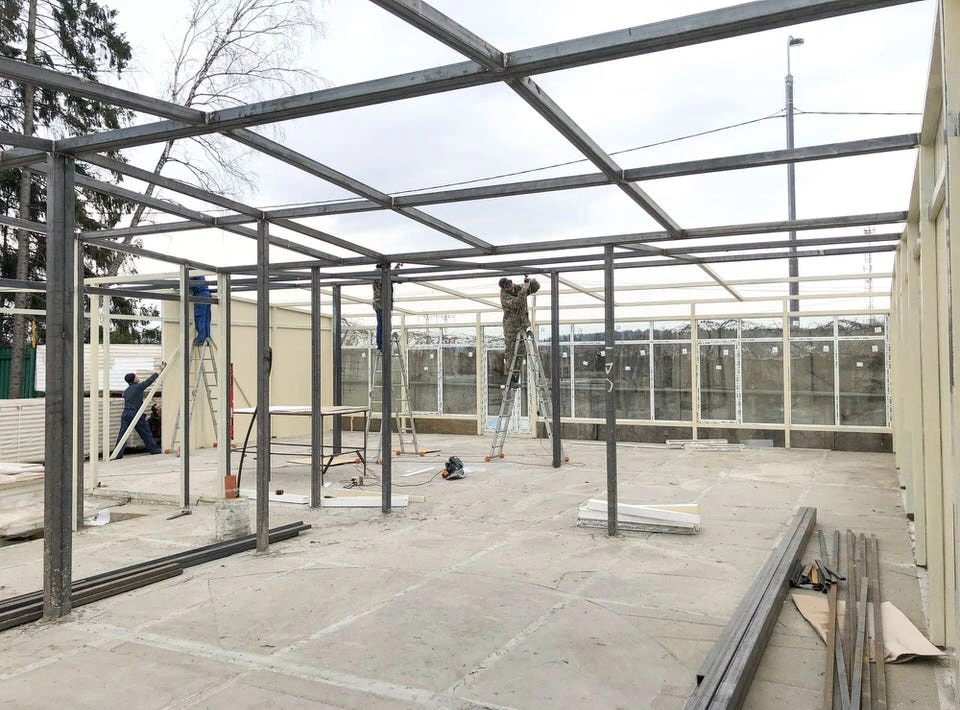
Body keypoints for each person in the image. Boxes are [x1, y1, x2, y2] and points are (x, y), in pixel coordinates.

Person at [115, 371, 163, 458]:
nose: (138, 377)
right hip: (136, 414)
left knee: (122, 434)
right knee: (145, 433)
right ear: (134, 379)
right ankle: (155, 450)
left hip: (126, 414)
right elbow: (149, 381)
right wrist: (157, 373)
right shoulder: (138, 387)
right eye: (136, 376)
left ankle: (117, 454)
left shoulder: (126, 391)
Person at [499, 275, 540, 378]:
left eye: (510, 283)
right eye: (507, 286)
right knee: (511, 350)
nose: (510, 286)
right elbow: (517, 303)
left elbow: (535, 288)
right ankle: (509, 374)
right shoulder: (504, 296)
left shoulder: (518, 288)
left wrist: (529, 281)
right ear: (504, 288)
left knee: (521, 350)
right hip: (511, 327)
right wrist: (524, 290)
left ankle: (516, 373)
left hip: (522, 324)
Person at [372, 262, 399, 352]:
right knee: (386, 325)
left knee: (380, 325)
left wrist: (397, 267)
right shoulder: (382, 274)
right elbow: (391, 278)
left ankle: (380, 344)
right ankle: (383, 344)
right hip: (383, 304)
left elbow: (391, 277)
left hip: (377, 304)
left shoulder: (375, 274)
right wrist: (397, 268)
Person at [189, 272, 212, 345]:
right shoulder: (198, 271)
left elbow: (187, 283)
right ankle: (207, 338)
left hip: (201, 295)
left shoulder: (190, 271)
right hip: (207, 295)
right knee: (206, 318)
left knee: (199, 316)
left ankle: (201, 339)